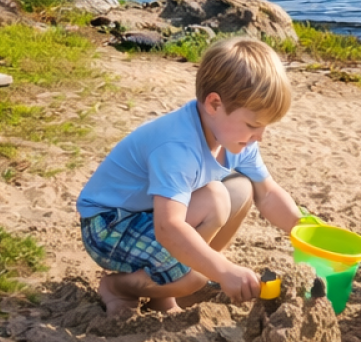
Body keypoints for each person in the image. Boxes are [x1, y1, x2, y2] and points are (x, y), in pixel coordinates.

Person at [75, 37, 305, 316]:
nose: (260, 137)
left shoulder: (236, 140)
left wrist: (302, 228)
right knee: (198, 268)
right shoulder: (178, 147)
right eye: (253, 125)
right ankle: (120, 287)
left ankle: (168, 286)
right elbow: (168, 227)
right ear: (214, 104)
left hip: (148, 214)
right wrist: (223, 270)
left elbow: (267, 193)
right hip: (109, 225)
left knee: (242, 189)